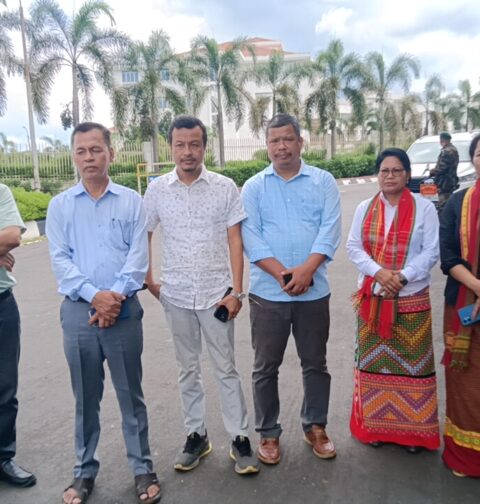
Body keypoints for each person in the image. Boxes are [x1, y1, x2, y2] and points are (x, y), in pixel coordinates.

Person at [46, 122, 161, 504]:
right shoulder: (60, 206)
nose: (89, 157)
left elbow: (138, 258)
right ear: (73, 157)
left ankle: (142, 469)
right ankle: (83, 473)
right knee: (85, 398)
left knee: (131, 395)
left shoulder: (131, 201)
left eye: (96, 149)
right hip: (79, 314)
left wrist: (113, 300)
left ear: (111, 153)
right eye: (81, 151)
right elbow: (60, 261)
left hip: (124, 312)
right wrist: (95, 296)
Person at [143, 115, 259, 475]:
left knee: (226, 368)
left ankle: (240, 438)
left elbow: (235, 240)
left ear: (204, 146)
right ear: (171, 148)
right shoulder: (158, 190)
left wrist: (237, 291)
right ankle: (196, 435)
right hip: (176, 294)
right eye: (180, 145)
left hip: (216, 295)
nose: (187, 151)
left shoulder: (224, 187)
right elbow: (144, 233)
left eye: (194, 144)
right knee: (187, 369)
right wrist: (150, 281)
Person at [241, 114, 341, 465]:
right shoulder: (254, 187)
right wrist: (284, 275)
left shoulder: (323, 182)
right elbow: (251, 238)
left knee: (315, 363)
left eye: (287, 139)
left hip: (314, 291)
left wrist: (307, 270)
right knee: (265, 366)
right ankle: (268, 432)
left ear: (300, 142)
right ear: (267, 145)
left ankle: (315, 426)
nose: (281, 146)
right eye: (274, 140)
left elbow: (329, 230)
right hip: (268, 294)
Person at [347, 148, 440, 453]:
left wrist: (401, 277)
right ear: (378, 174)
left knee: (413, 367)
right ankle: (376, 428)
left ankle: (413, 434)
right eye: (384, 171)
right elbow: (354, 247)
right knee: (374, 365)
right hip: (373, 300)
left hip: (411, 299)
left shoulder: (425, 208)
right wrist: (379, 273)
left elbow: (432, 251)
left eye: (396, 170)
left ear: (407, 174)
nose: (390, 176)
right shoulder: (364, 208)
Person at [439, 133, 480, 477]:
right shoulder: (457, 202)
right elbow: (448, 255)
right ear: (473, 159)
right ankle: (467, 455)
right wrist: (478, 286)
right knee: (464, 380)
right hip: (462, 302)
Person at [0, 184, 36, 489]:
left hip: (1, 305)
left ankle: (3, 457)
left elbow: (11, 237)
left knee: (4, 388)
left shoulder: (0, 192)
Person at [430, 131, 459, 209]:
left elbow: (442, 168)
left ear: (442, 140)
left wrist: (432, 172)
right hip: (450, 181)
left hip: (445, 182)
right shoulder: (453, 149)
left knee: (443, 205)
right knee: (448, 202)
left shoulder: (447, 151)